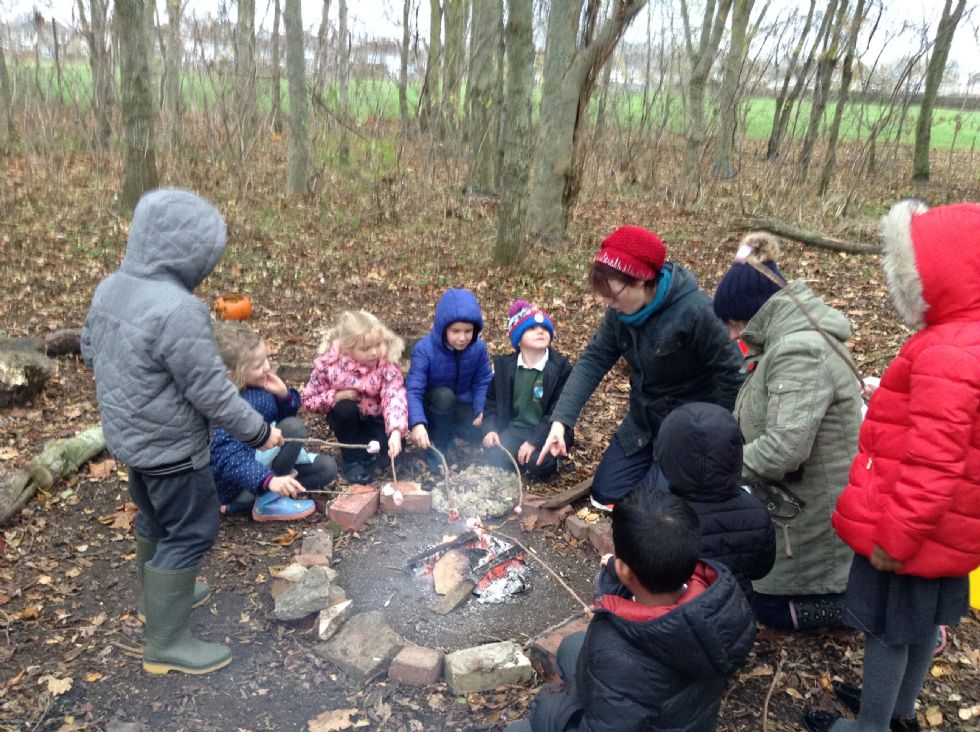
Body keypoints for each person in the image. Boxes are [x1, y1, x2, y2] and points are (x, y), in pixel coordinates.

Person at [81, 189, 283, 676]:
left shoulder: (110, 288)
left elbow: (90, 350)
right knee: (192, 530)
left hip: (130, 441)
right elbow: (211, 393)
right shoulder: (179, 309)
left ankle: (158, 599)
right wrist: (259, 434)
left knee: (154, 518)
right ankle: (166, 642)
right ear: (190, 253)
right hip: (172, 450)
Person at [803, 201, 980, 732]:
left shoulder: (946, 352)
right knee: (921, 626)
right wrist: (890, 394)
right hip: (950, 529)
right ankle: (898, 710)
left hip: (913, 532)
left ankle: (872, 725)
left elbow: (933, 462)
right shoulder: (965, 339)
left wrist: (896, 539)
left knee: (888, 631)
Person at [506, 489, 756, 732]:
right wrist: (616, 573)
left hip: (627, 694)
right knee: (572, 645)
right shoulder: (716, 599)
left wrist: (546, 707)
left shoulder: (615, 657)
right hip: (682, 712)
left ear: (626, 571)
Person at [712, 232, 862, 631]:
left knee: (762, 607)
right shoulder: (783, 343)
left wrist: (717, 470)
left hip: (813, 517)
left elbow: (783, 451)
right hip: (790, 503)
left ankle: (863, 609)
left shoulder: (799, 352)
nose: (733, 335)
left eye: (734, 323)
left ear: (755, 312)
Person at [537, 225, 744, 509]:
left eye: (613, 294)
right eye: (603, 295)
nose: (608, 303)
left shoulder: (697, 311)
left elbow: (732, 373)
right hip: (643, 425)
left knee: (652, 507)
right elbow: (594, 359)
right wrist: (561, 421)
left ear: (642, 281)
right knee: (605, 493)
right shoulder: (619, 314)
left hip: (686, 429)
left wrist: (711, 434)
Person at [211, 323, 336, 521]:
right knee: (294, 428)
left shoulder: (260, 385)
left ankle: (250, 501)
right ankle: (267, 501)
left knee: (326, 468)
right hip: (239, 482)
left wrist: (284, 396)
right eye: (257, 366)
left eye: (265, 360)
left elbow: (281, 420)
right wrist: (267, 480)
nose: (267, 367)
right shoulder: (224, 405)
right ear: (232, 373)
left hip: (265, 465)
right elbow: (229, 458)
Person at [655, 401, 776, 601]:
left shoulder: (658, 515)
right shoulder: (756, 512)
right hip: (736, 611)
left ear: (667, 451)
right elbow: (761, 569)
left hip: (677, 612)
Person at [302, 310, 408, 484]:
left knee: (396, 445)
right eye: (365, 349)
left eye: (378, 345)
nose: (374, 353)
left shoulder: (386, 362)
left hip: (377, 420)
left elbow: (394, 396)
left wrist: (396, 431)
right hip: (350, 423)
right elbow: (308, 400)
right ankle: (352, 460)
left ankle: (374, 453)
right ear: (347, 348)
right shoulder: (330, 366)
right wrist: (336, 397)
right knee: (344, 408)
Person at [482, 300, 573, 480]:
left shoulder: (560, 368)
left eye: (545, 328)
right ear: (518, 339)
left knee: (536, 463)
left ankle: (552, 459)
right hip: (516, 427)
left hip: (548, 430)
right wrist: (490, 429)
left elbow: (558, 410)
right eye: (532, 328)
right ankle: (519, 460)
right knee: (495, 454)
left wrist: (533, 441)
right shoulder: (505, 368)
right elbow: (491, 403)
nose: (540, 331)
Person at [406, 288, 493, 473]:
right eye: (455, 331)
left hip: (462, 405)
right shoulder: (424, 350)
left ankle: (454, 437)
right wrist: (417, 423)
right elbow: (413, 390)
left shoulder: (478, 349)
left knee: (480, 430)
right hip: (434, 408)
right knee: (444, 396)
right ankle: (437, 446)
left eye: (468, 331)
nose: (462, 338)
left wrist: (481, 410)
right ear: (443, 328)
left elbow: (483, 381)